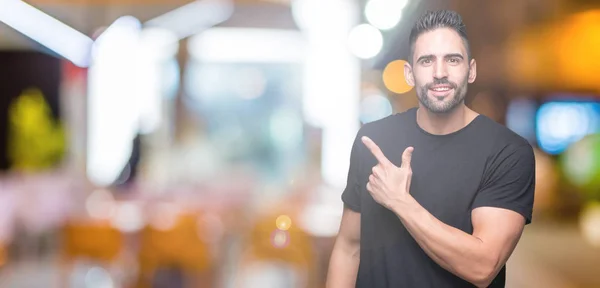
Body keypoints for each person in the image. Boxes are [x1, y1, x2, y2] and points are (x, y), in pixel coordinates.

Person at [326, 10, 535, 288]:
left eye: (452, 59)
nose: (440, 73)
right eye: (427, 61)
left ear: (471, 70)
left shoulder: (508, 152)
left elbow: (483, 266)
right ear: (409, 74)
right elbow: (348, 248)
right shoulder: (373, 142)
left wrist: (400, 202)